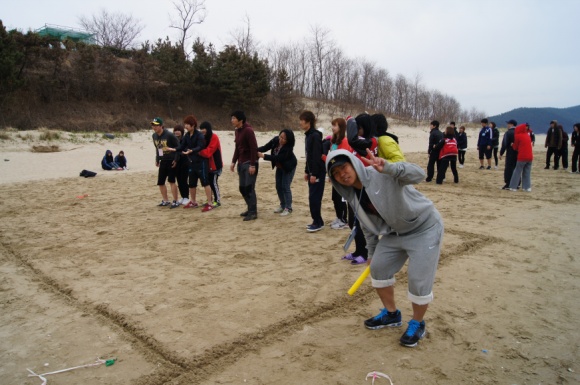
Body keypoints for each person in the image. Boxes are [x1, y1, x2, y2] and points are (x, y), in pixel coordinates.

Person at [326, 149, 444, 348]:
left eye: (343, 167)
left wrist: (390, 168)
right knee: (378, 268)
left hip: (424, 228)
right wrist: (371, 252)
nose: (342, 174)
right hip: (394, 232)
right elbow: (366, 225)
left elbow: (419, 174)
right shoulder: (353, 195)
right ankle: (391, 315)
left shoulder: (380, 173)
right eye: (336, 173)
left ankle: (417, 323)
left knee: (418, 280)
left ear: (354, 163)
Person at [345, 113, 379, 264]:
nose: (355, 131)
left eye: (357, 128)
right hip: (354, 185)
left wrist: (350, 121)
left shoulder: (370, 142)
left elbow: (352, 140)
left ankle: (365, 253)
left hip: (366, 186)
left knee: (363, 221)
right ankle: (358, 250)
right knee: (353, 219)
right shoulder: (359, 141)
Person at [257, 129, 297, 216]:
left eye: (284, 139)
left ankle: (288, 208)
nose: (281, 139)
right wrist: (254, 150)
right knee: (278, 186)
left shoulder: (288, 149)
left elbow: (278, 158)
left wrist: (263, 156)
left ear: (288, 141)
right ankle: (282, 205)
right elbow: (265, 147)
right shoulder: (275, 140)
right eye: (280, 136)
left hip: (288, 167)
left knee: (285, 186)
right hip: (279, 167)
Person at [322, 118, 352, 230]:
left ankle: (344, 220)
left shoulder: (344, 141)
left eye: (335, 125)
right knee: (335, 197)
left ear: (341, 127)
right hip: (334, 172)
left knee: (341, 197)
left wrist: (326, 159)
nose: (333, 127)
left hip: (342, 173)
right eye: (332, 125)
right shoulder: (333, 141)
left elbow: (341, 159)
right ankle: (339, 217)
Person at [230, 110, 259, 221]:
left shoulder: (248, 131)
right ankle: (250, 208)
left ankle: (253, 212)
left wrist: (252, 164)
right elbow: (237, 148)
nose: (232, 120)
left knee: (249, 188)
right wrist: (233, 161)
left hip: (249, 163)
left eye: (234, 118)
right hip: (241, 163)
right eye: (232, 118)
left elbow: (253, 148)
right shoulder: (237, 131)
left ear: (240, 120)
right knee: (242, 188)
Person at [181, 115, 213, 211]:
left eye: (187, 124)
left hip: (201, 162)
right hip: (191, 162)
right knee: (191, 183)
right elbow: (182, 146)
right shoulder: (186, 135)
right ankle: (193, 202)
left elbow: (200, 146)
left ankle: (210, 203)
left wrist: (191, 151)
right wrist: (175, 149)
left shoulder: (199, 135)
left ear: (193, 125)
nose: (186, 126)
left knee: (205, 182)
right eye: (185, 124)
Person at [301, 110, 326, 232]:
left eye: (302, 121)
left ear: (308, 122)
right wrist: (307, 171)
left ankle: (318, 222)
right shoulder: (308, 135)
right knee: (312, 197)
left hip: (318, 172)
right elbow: (308, 156)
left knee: (314, 198)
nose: (300, 123)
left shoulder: (315, 136)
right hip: (312, 171)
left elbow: (316, 156)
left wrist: (314, 174)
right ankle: (317, 220)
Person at [151, 117, 180, 207]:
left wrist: (176, 159)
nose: (154, 127)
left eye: (156, 125)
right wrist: (157, 159)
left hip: (171, 160)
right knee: (160, 182)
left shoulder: (169, 135)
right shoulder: (154, 136)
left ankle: (175, 200)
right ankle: (166, 200)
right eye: (153, 125)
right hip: (163, 161)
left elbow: (178, 147)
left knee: (171, 181)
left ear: (161, 126)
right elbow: (158, 148)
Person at [199, 121, 223, 208]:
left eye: (204, 129)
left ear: (208, 129)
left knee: (213, 183)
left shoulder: (214, 137)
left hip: (216, 165)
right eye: (201, 129)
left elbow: (209, 152)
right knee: (208, 182)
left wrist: (198, 151)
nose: (202, 131)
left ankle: (217, 200)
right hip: (207, 165)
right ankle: (210, 199)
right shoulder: (203, 138)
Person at [508, 123, 534, 192]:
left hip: (522, 157)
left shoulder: (518, 136)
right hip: (530, 157)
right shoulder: (527, 135)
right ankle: (527, 187)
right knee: (527, 172)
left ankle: (513, 187)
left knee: (517, 171)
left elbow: (515, 147)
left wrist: (512, 145)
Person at [172, 125, 190, 206]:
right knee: (179, 180)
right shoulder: (173, 140)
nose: (177, 132)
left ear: (182, 131)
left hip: (184, 162)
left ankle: (186, 197)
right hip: (177, 162)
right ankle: (182, 196)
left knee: (184, 180)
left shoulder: (184, 139)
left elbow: (184, 150)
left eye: (179, 130)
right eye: (176, 130)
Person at [499, 119, 518, 190]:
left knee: (509, 168)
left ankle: (508, 183)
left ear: (512, 125)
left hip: (510, 152)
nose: (507, 125)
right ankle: (517, 183)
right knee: (516, 168)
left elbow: (504, 144)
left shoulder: (508, 133)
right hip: (518, 152)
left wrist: (501, 153)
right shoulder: (519, 132)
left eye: (508, 124)